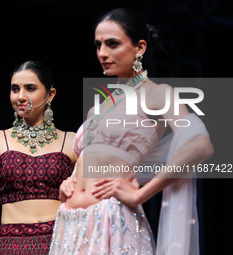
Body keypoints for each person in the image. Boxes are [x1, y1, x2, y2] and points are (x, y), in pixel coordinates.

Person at [50, 8, 213, 255]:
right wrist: (69, 182)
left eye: (112, 44)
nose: (102, 53)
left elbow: (201, 144)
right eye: (98, 45)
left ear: (140, 48)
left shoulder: (157, 94)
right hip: (69, 223)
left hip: (112, 221)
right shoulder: (98, 108)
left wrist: (141, 194)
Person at [0, 61, 76, 255]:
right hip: (11, 246)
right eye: (15, 89)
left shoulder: (72, 141)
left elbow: (94, 197)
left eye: (30, 88)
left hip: (61, 243)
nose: (21, 97)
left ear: (50, 95)